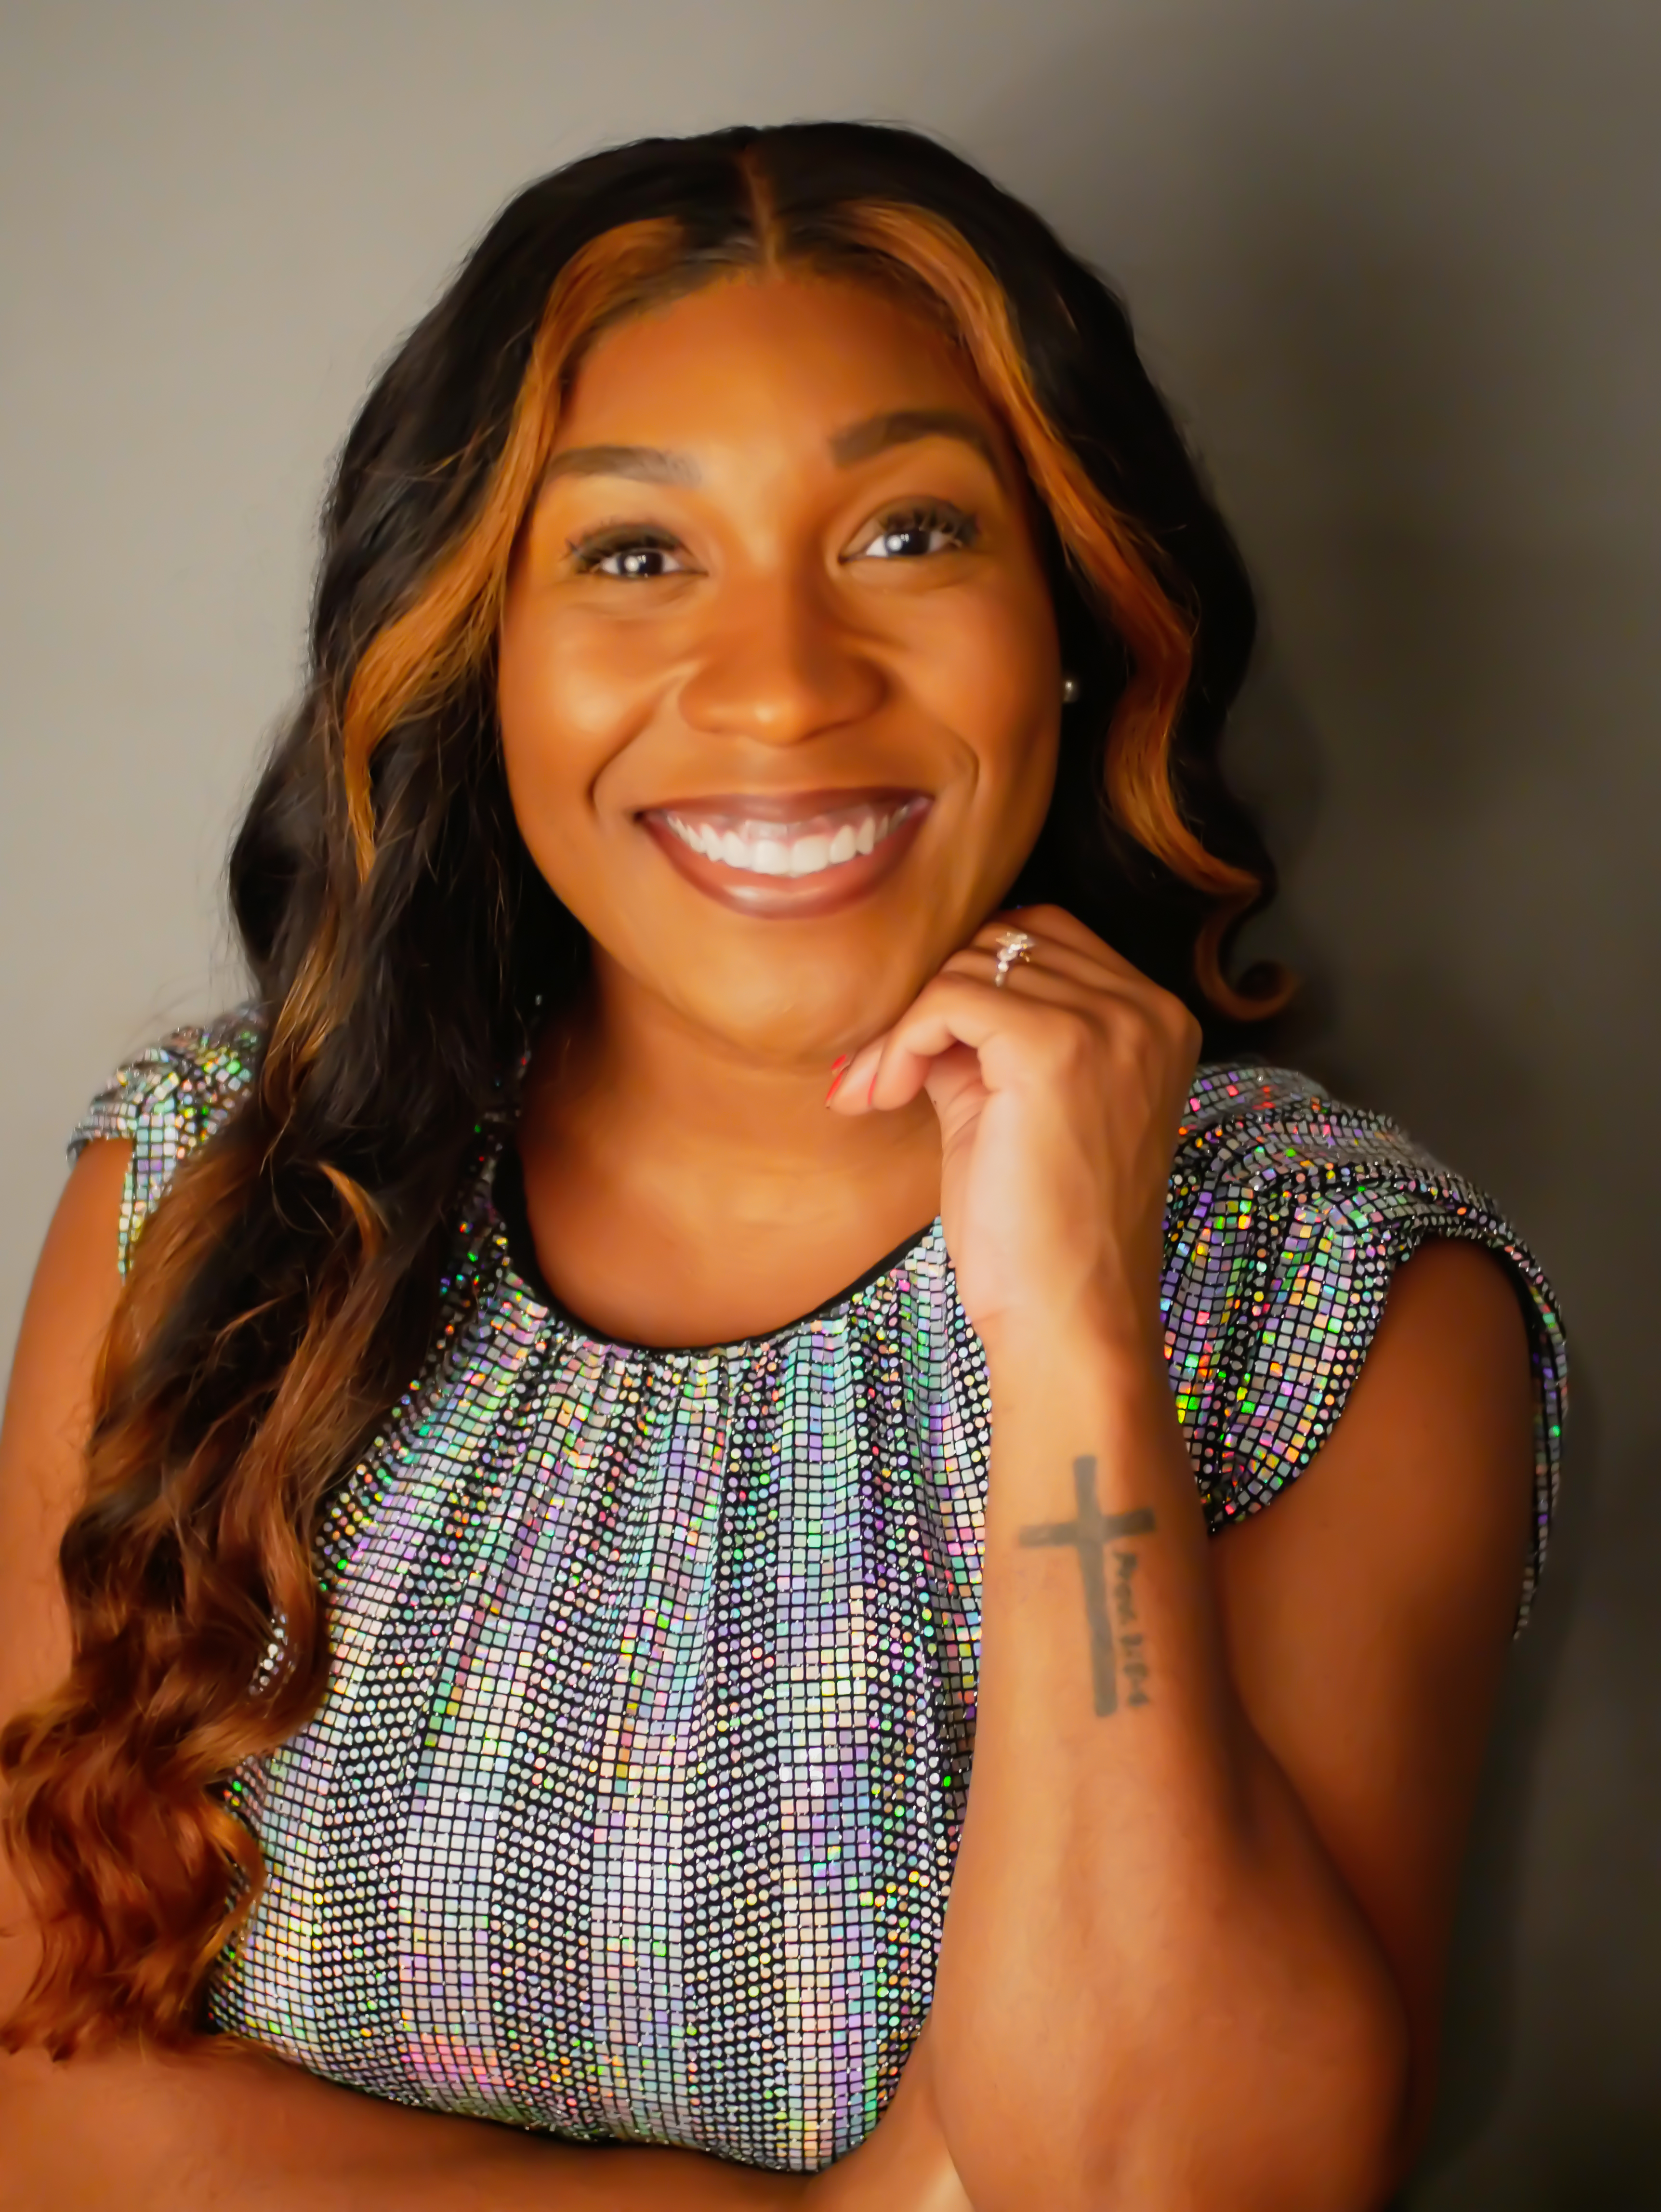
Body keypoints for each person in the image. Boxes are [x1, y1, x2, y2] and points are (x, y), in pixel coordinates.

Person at [0, 122, 1565, 2212]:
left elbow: (1173, 2178)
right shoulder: (201, 1202)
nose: (783, 686)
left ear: (1077, 615)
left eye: (908, 533)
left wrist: (1075, 1325)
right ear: (477, 652)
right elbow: (39, 2093)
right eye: (636, 555)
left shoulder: (1327, 1298)